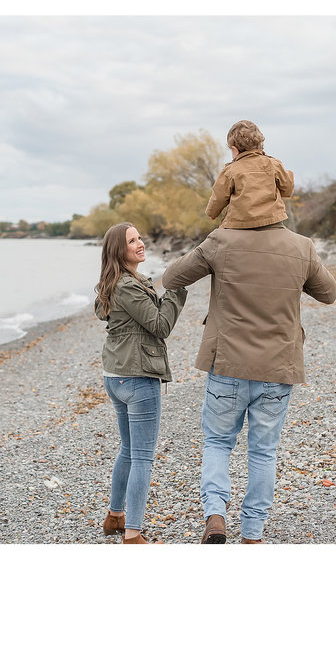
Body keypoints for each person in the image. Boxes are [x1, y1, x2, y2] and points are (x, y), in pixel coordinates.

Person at [160, 212, 336, 543]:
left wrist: (213, 249)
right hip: (277, 367)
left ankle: (215, 513)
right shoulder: (301, 246)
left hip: (228, 363)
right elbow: (329, 294)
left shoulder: (221, 240)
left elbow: (171, 278)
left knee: (217, 441)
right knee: (263, 451)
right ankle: (253, 534)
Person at [94, 222, 185, 544]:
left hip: (116, 376)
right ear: (119, 250)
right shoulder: (127, 286)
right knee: (142, 457)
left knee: (129, 450)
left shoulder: (120, 282)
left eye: (139, 238)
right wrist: (177, 289)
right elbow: (160, 325)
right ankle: (133, 534)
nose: (140, 244)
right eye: (132, 241)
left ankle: (115, 517)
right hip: (137, 376)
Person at [206, 118, 297, 229]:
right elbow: (288, 189)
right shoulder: (274, 164)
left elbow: (219, 196)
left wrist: (212, 213)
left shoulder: (230, 171)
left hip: (239, 223)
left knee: (211, 243)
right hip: (273, 220)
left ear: (234, 149)